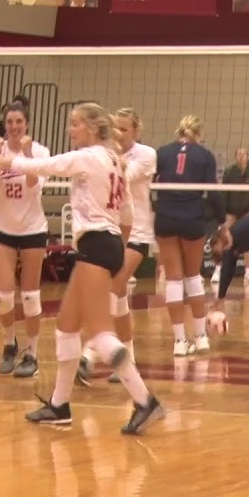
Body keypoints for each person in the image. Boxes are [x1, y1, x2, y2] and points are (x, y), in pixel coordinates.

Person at [0, 103, 163, 434]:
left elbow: (46, 165)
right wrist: (115, 246)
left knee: (101, 333)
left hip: (98, 246)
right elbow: (128, 215)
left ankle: (145, 401)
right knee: (65, 328)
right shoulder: (116, 161)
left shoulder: (89, 157)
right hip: (109, 243)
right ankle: (60, 405)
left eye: (74, 124)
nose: (69, 130)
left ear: (89, 128)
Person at [78, 108, 155, 386]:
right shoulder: (106, 155)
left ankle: (88, 356)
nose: (120, 133)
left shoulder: (146, 154)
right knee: (119, 298)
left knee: (111, 290)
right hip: (114, 231)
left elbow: (125, 175)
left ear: (136, 131)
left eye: (124, 129)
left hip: (138, 235)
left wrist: (110, 154)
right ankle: (127, 360)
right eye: (116, 128)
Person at [0, 102, 50, 378]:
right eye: (9, 121)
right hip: (2, 228)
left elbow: (35, 187)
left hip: (33, 228)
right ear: (4, 124)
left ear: (27, 124)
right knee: (4, 295)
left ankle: (32, 354)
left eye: (18, 121)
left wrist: (26, 155)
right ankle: (9, 344)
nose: (13, 127)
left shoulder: (40, 152)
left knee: (31, 296)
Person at [153, 115, 224, 356]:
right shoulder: (204, 155)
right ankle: (201, 337)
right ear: (198, 133)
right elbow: (213, 194)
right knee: (192, 277)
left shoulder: (161, 152)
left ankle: (179, 342)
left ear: (179, 131)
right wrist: (221, 221)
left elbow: (149, 182)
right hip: (191, 218)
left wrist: (157, 206)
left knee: (173, 280)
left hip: (164, 217)